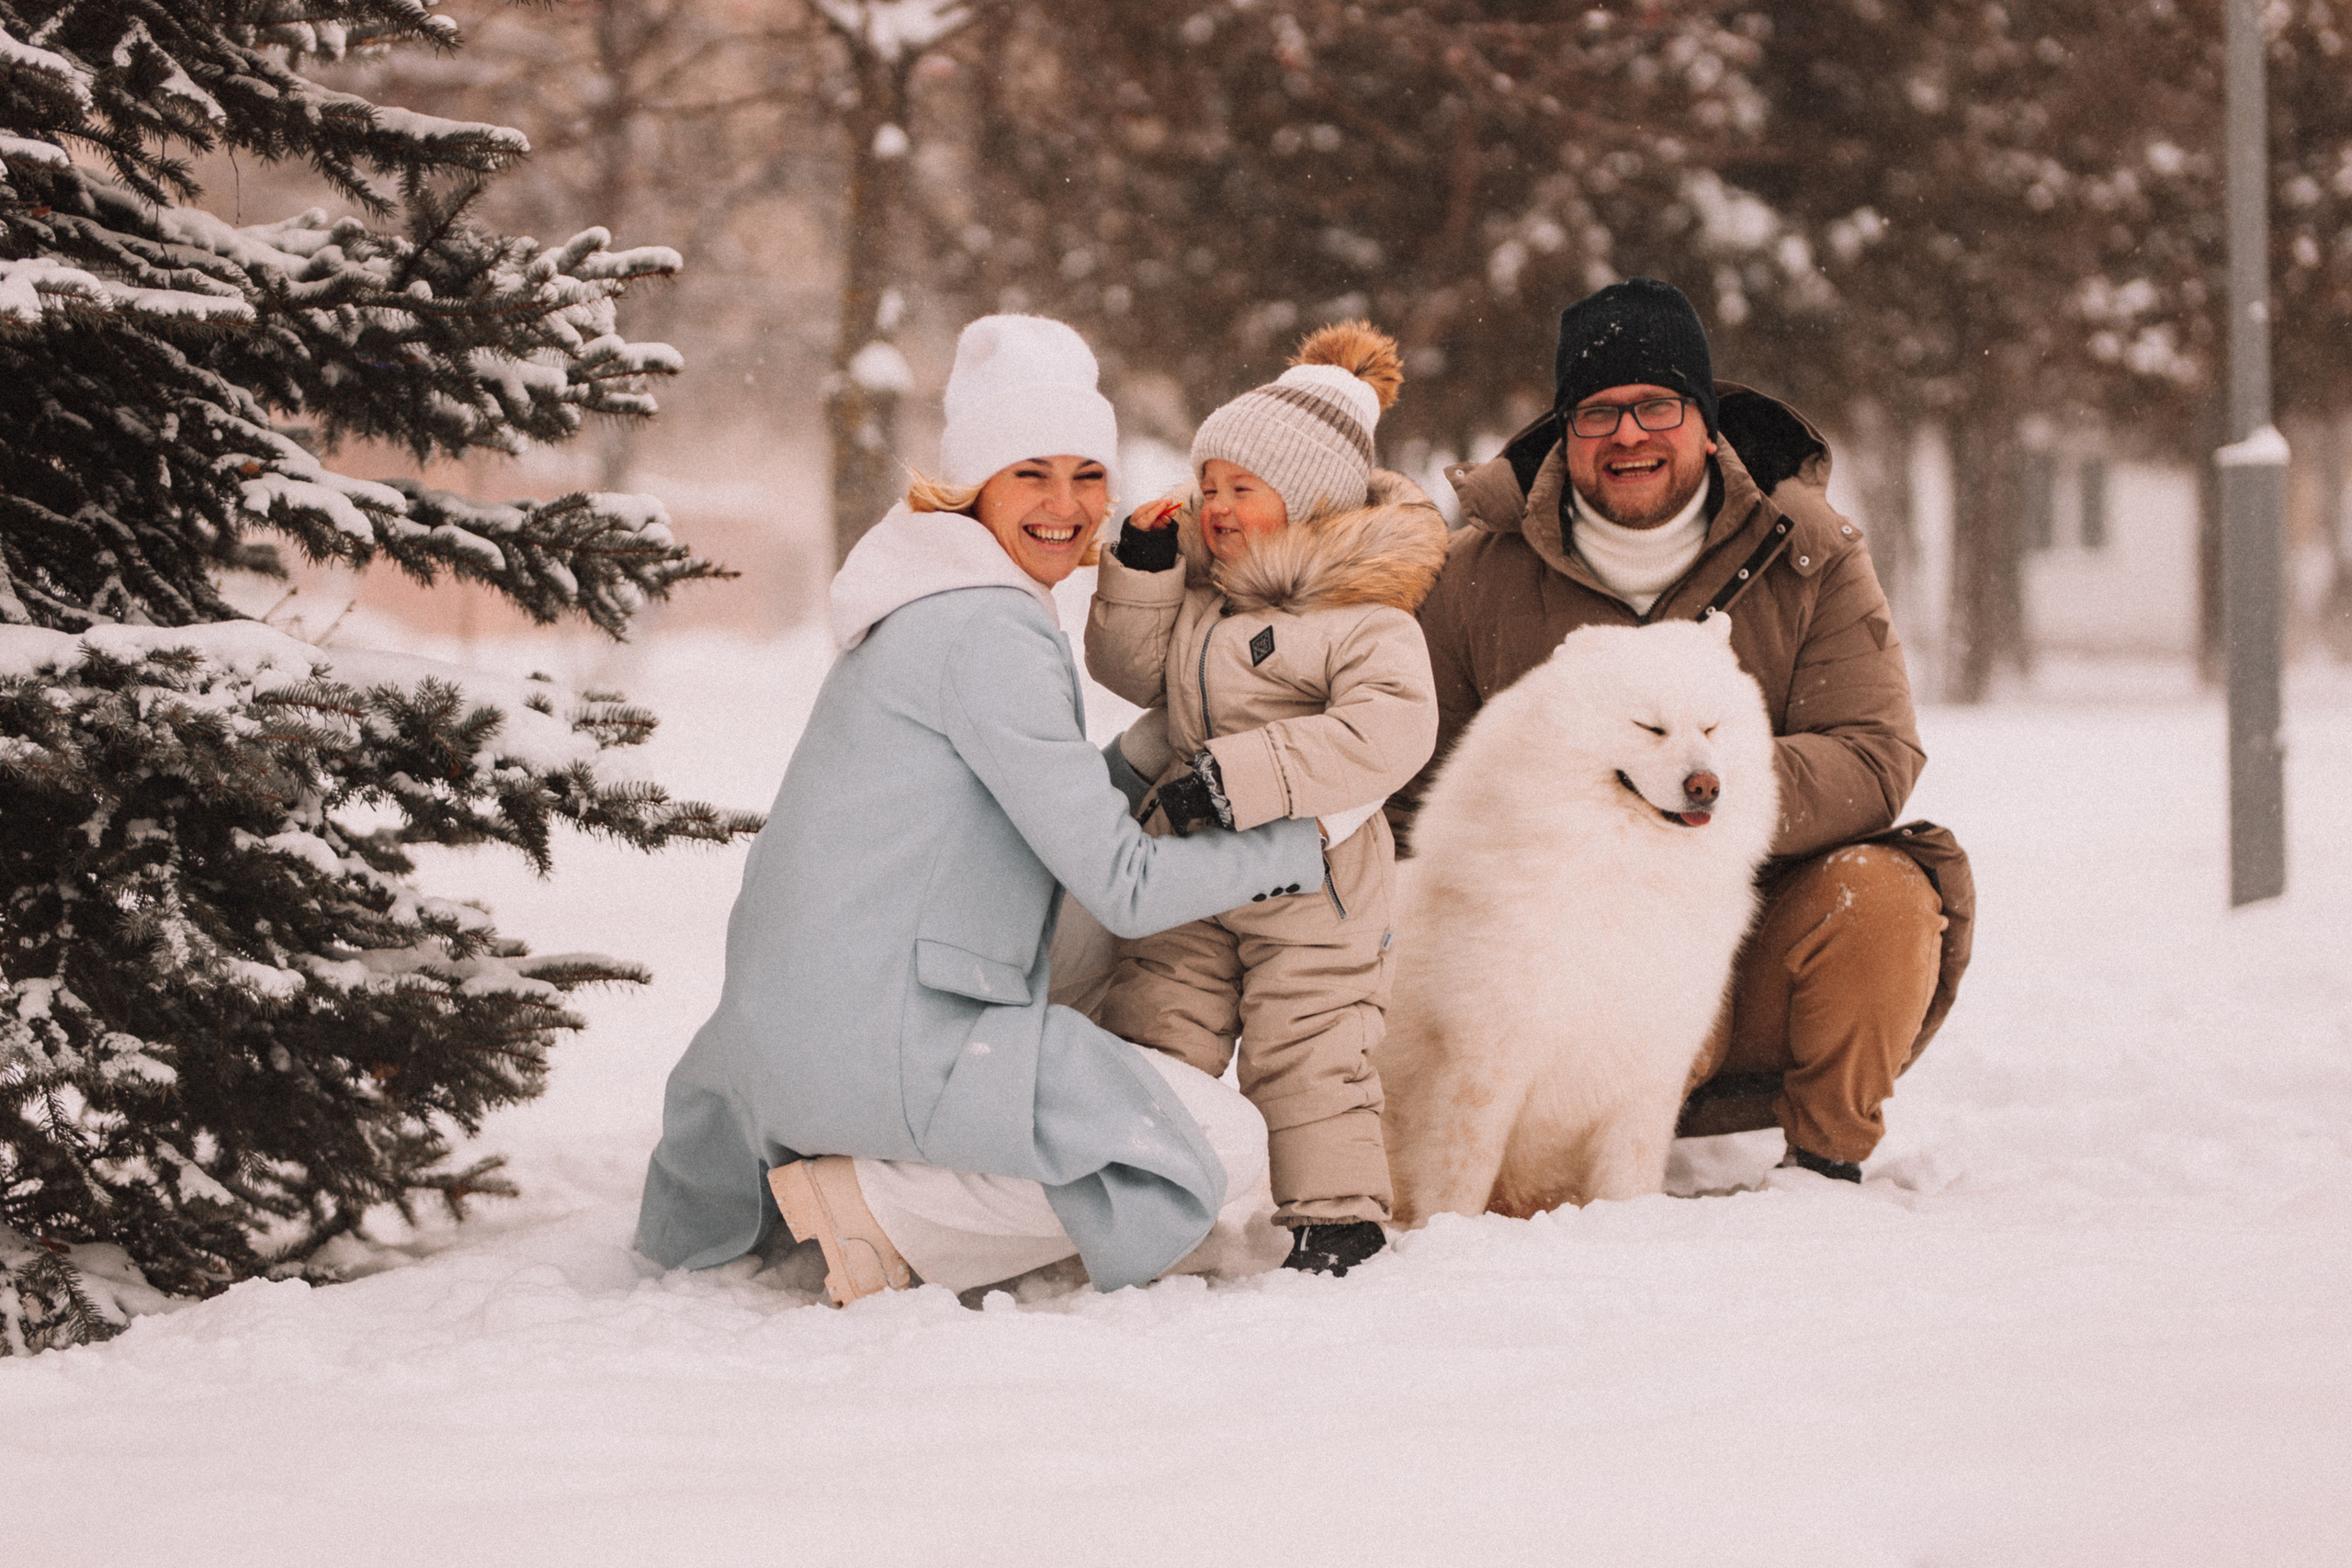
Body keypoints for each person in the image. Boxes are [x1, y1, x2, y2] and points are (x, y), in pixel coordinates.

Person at [634, 315, 1328, 1307]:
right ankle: (874, 1209)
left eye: (1088, 474)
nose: (1065, 505)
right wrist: (1297, 844)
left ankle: (881, 1186)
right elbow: (1123, 890)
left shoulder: (928, 598)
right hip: (889, 1039)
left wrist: (1161, 745)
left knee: (1124, 1078)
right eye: (1029, 475)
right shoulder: (989, 630)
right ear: (973, 488)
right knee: (1226, 1146)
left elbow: (1019, 797)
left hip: (794, 1042)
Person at [1389, 278, 1975, 1182]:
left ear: (1705, 422)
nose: (1629, 435)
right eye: (1599, 413)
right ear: (1563, 433)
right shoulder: (1476, 576)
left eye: (1658, 406)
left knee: (1886, 894)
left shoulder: (1807, 555)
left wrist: (1699, 785)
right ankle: (1513, 1174)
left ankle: (1820, 1170)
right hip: (1551, 968)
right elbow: (1407, 782)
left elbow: (1873, 752)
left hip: (1751, 930)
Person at [1084, 322, 1448, 1277]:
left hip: (1316, 883)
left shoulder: (1364, 616)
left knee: (1311, 1048)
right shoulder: (1205, 602)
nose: (1216, 508)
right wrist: (1143, 573)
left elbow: (1392, 732)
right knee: (1156, 1020)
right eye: (1208, 489)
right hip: (1196, 865)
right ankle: (1148, 1200)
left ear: (1311, 497)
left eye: (1242, 489)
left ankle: (1336, 1219)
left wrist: (1239, 777)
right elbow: (1133, 673)